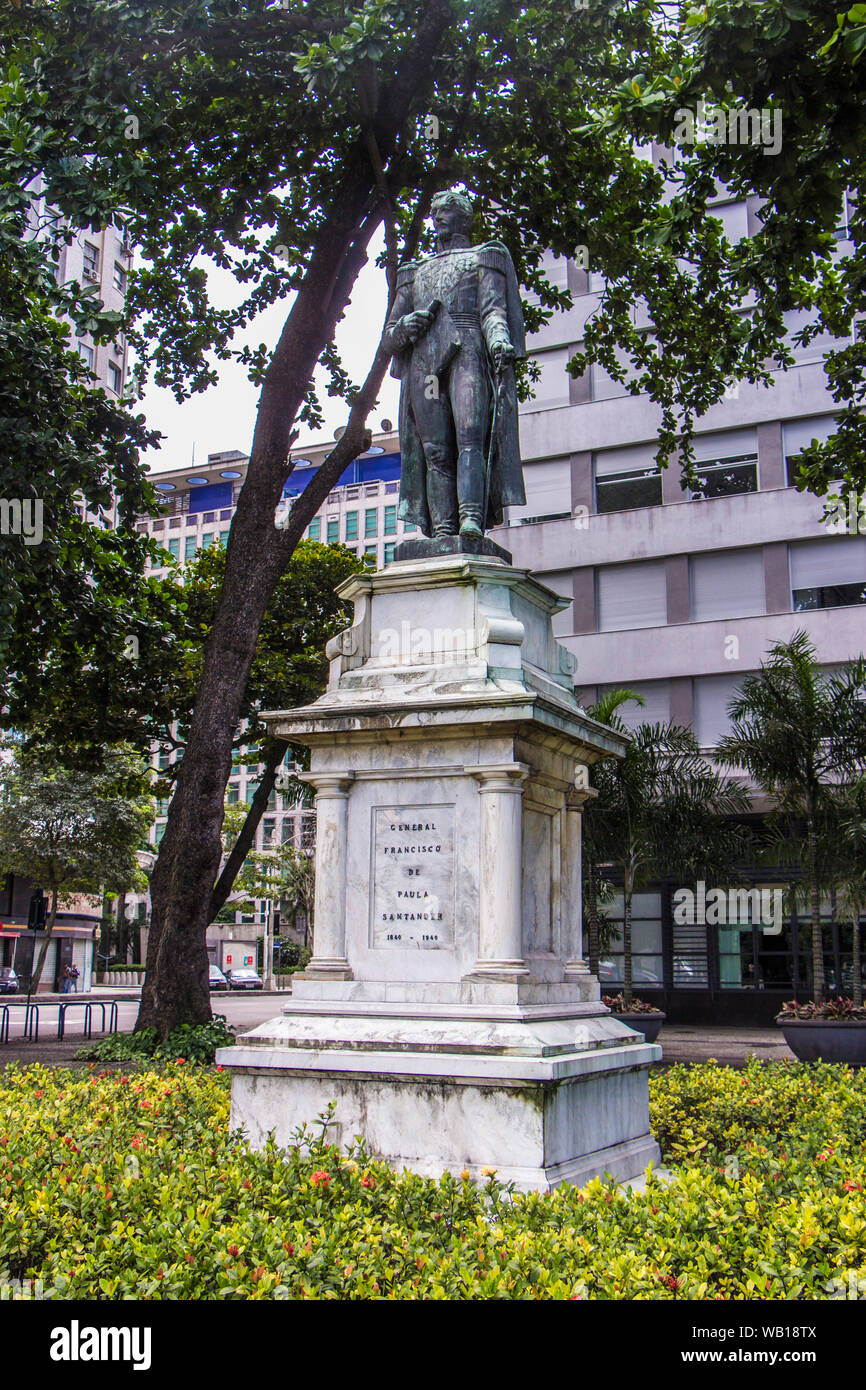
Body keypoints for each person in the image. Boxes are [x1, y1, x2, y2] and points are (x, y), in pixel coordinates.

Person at [383, 188, 526, 540]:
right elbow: (388, 336)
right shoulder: (413, 272)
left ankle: (471, 520)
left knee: (470, 437)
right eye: (434, 211)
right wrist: (405, 327)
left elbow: (494, 309)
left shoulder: (485, 256)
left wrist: (499, 341)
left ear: (464, 216)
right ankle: (443, 527)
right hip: (425, 359)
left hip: (468, 349)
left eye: (445, 210)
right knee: (434, 449)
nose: (437, 217)